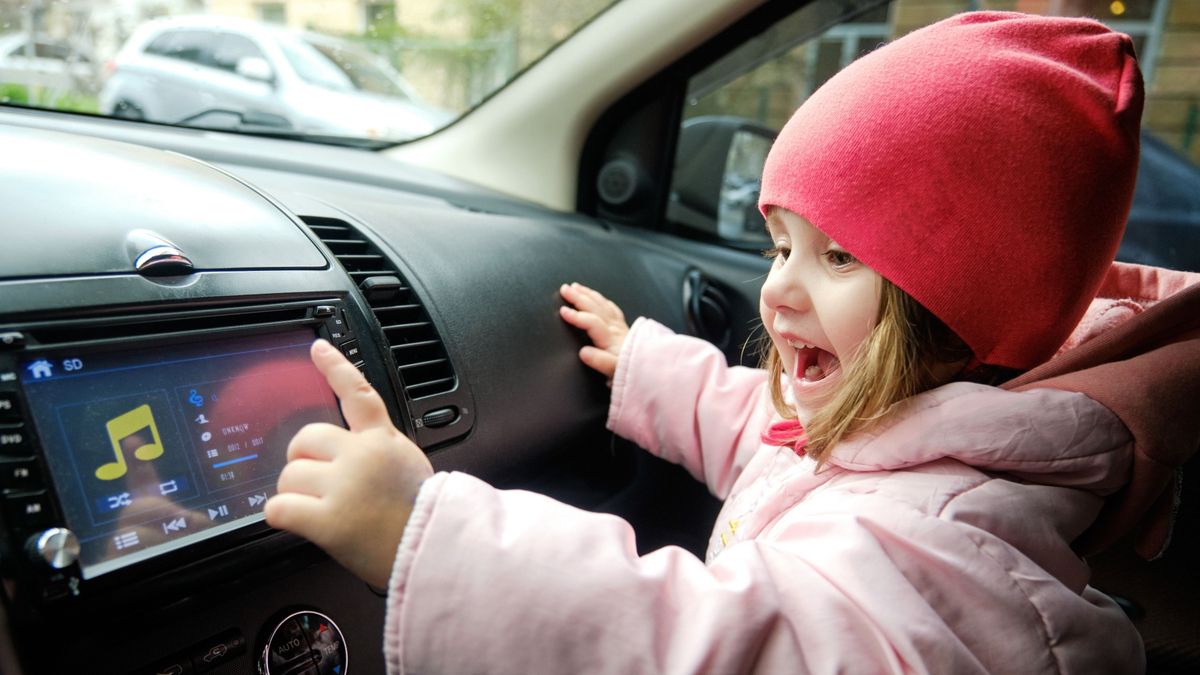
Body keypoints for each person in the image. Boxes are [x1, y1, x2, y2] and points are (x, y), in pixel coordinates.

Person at [264, 11, 1200, 674]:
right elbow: (771, 429)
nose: (780, 285)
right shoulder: (916, 427)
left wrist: (427, 534)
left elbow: (709, 645)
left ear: (959, 301)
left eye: (837, 255)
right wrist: (646, 363)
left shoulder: (949, 547)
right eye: (779, 242)